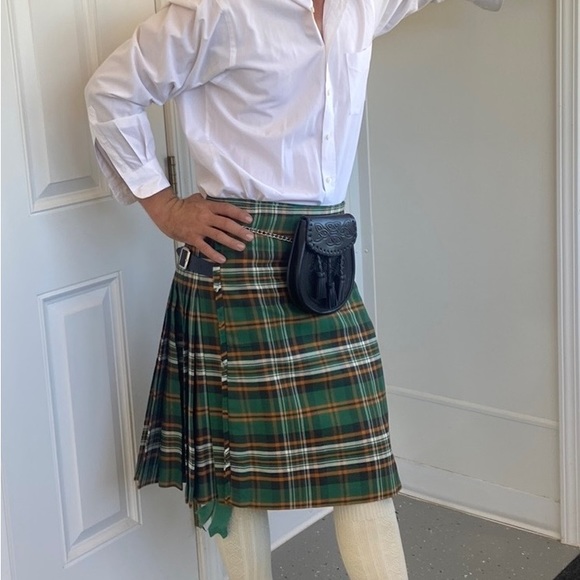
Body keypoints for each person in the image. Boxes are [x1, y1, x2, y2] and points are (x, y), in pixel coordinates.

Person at [85, 0, 502, 578]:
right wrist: (165, 207)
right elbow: (110, 91)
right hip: (238, 257)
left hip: (325, 260)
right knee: (233, 470)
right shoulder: (220, 9)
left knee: (363, 465)